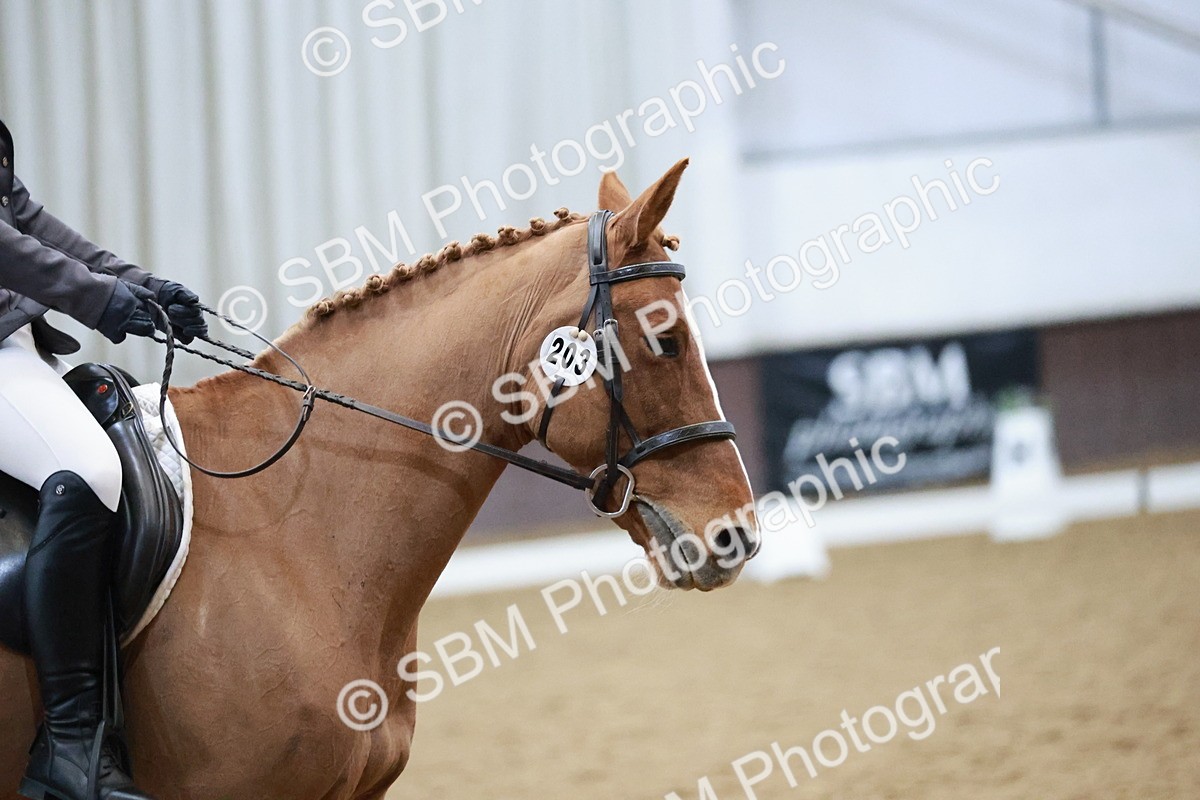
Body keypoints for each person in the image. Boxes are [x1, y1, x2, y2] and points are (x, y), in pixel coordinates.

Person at [0, 117, 206, 800]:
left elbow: (35, 228)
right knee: (87, 471)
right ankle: (68, 745)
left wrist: (144, 288)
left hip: (22, 349)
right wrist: (103, 301)